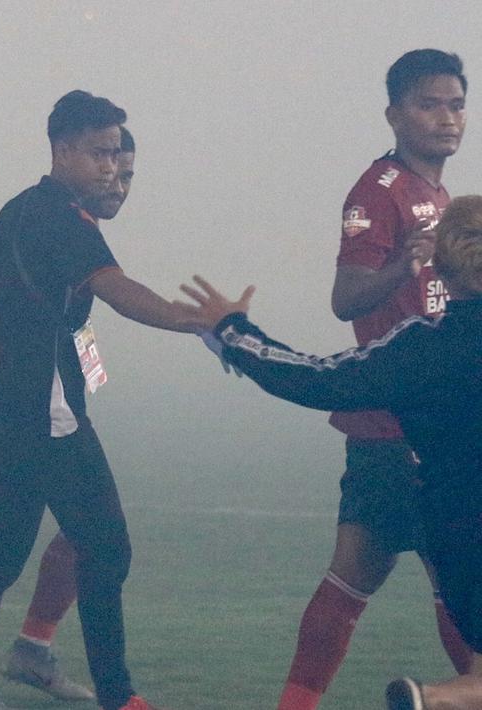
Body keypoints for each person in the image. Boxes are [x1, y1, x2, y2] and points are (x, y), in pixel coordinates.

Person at [0, 90, 200, 710]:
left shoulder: (20, 207)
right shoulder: (64, 220)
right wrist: (196, 321)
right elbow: (117, 289)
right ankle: (119, 695)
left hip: (4, 407)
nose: (111, 169)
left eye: (118, 158)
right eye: (101, 155)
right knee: (106, 546)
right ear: (63, 150)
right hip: (48, 415)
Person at [179, 193, 482, 710]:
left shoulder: (421, 346)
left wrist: (234, 332)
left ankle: (431, 699)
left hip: (453, 531)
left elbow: (316, 379)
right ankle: (433, 700)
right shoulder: (382, 192)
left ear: (440, 270)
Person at [271, 49, 471, 710]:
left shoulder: (436, 195)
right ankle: (439, 697)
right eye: (427, 104)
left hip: (397, 428)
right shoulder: (378, 192)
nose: (445, 118)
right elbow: (347, 296)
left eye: (454, 103)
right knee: (457, 583)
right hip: (408, 429)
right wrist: (401, 266)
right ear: (393, 113)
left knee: (352, 579)